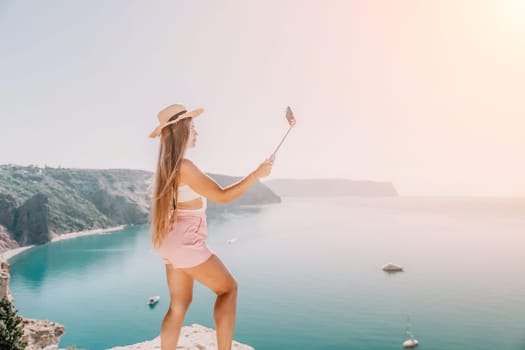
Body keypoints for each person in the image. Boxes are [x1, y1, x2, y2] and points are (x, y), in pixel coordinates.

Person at [148, 103, 273, 350]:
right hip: (186, 243)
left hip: (170, 242)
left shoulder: (167, 166)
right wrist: (256, 174)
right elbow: (223, 196)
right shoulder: (185, 166)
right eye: (193, 128)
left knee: (178, 304)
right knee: (228, 289)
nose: (197, 133)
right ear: (182, 130)